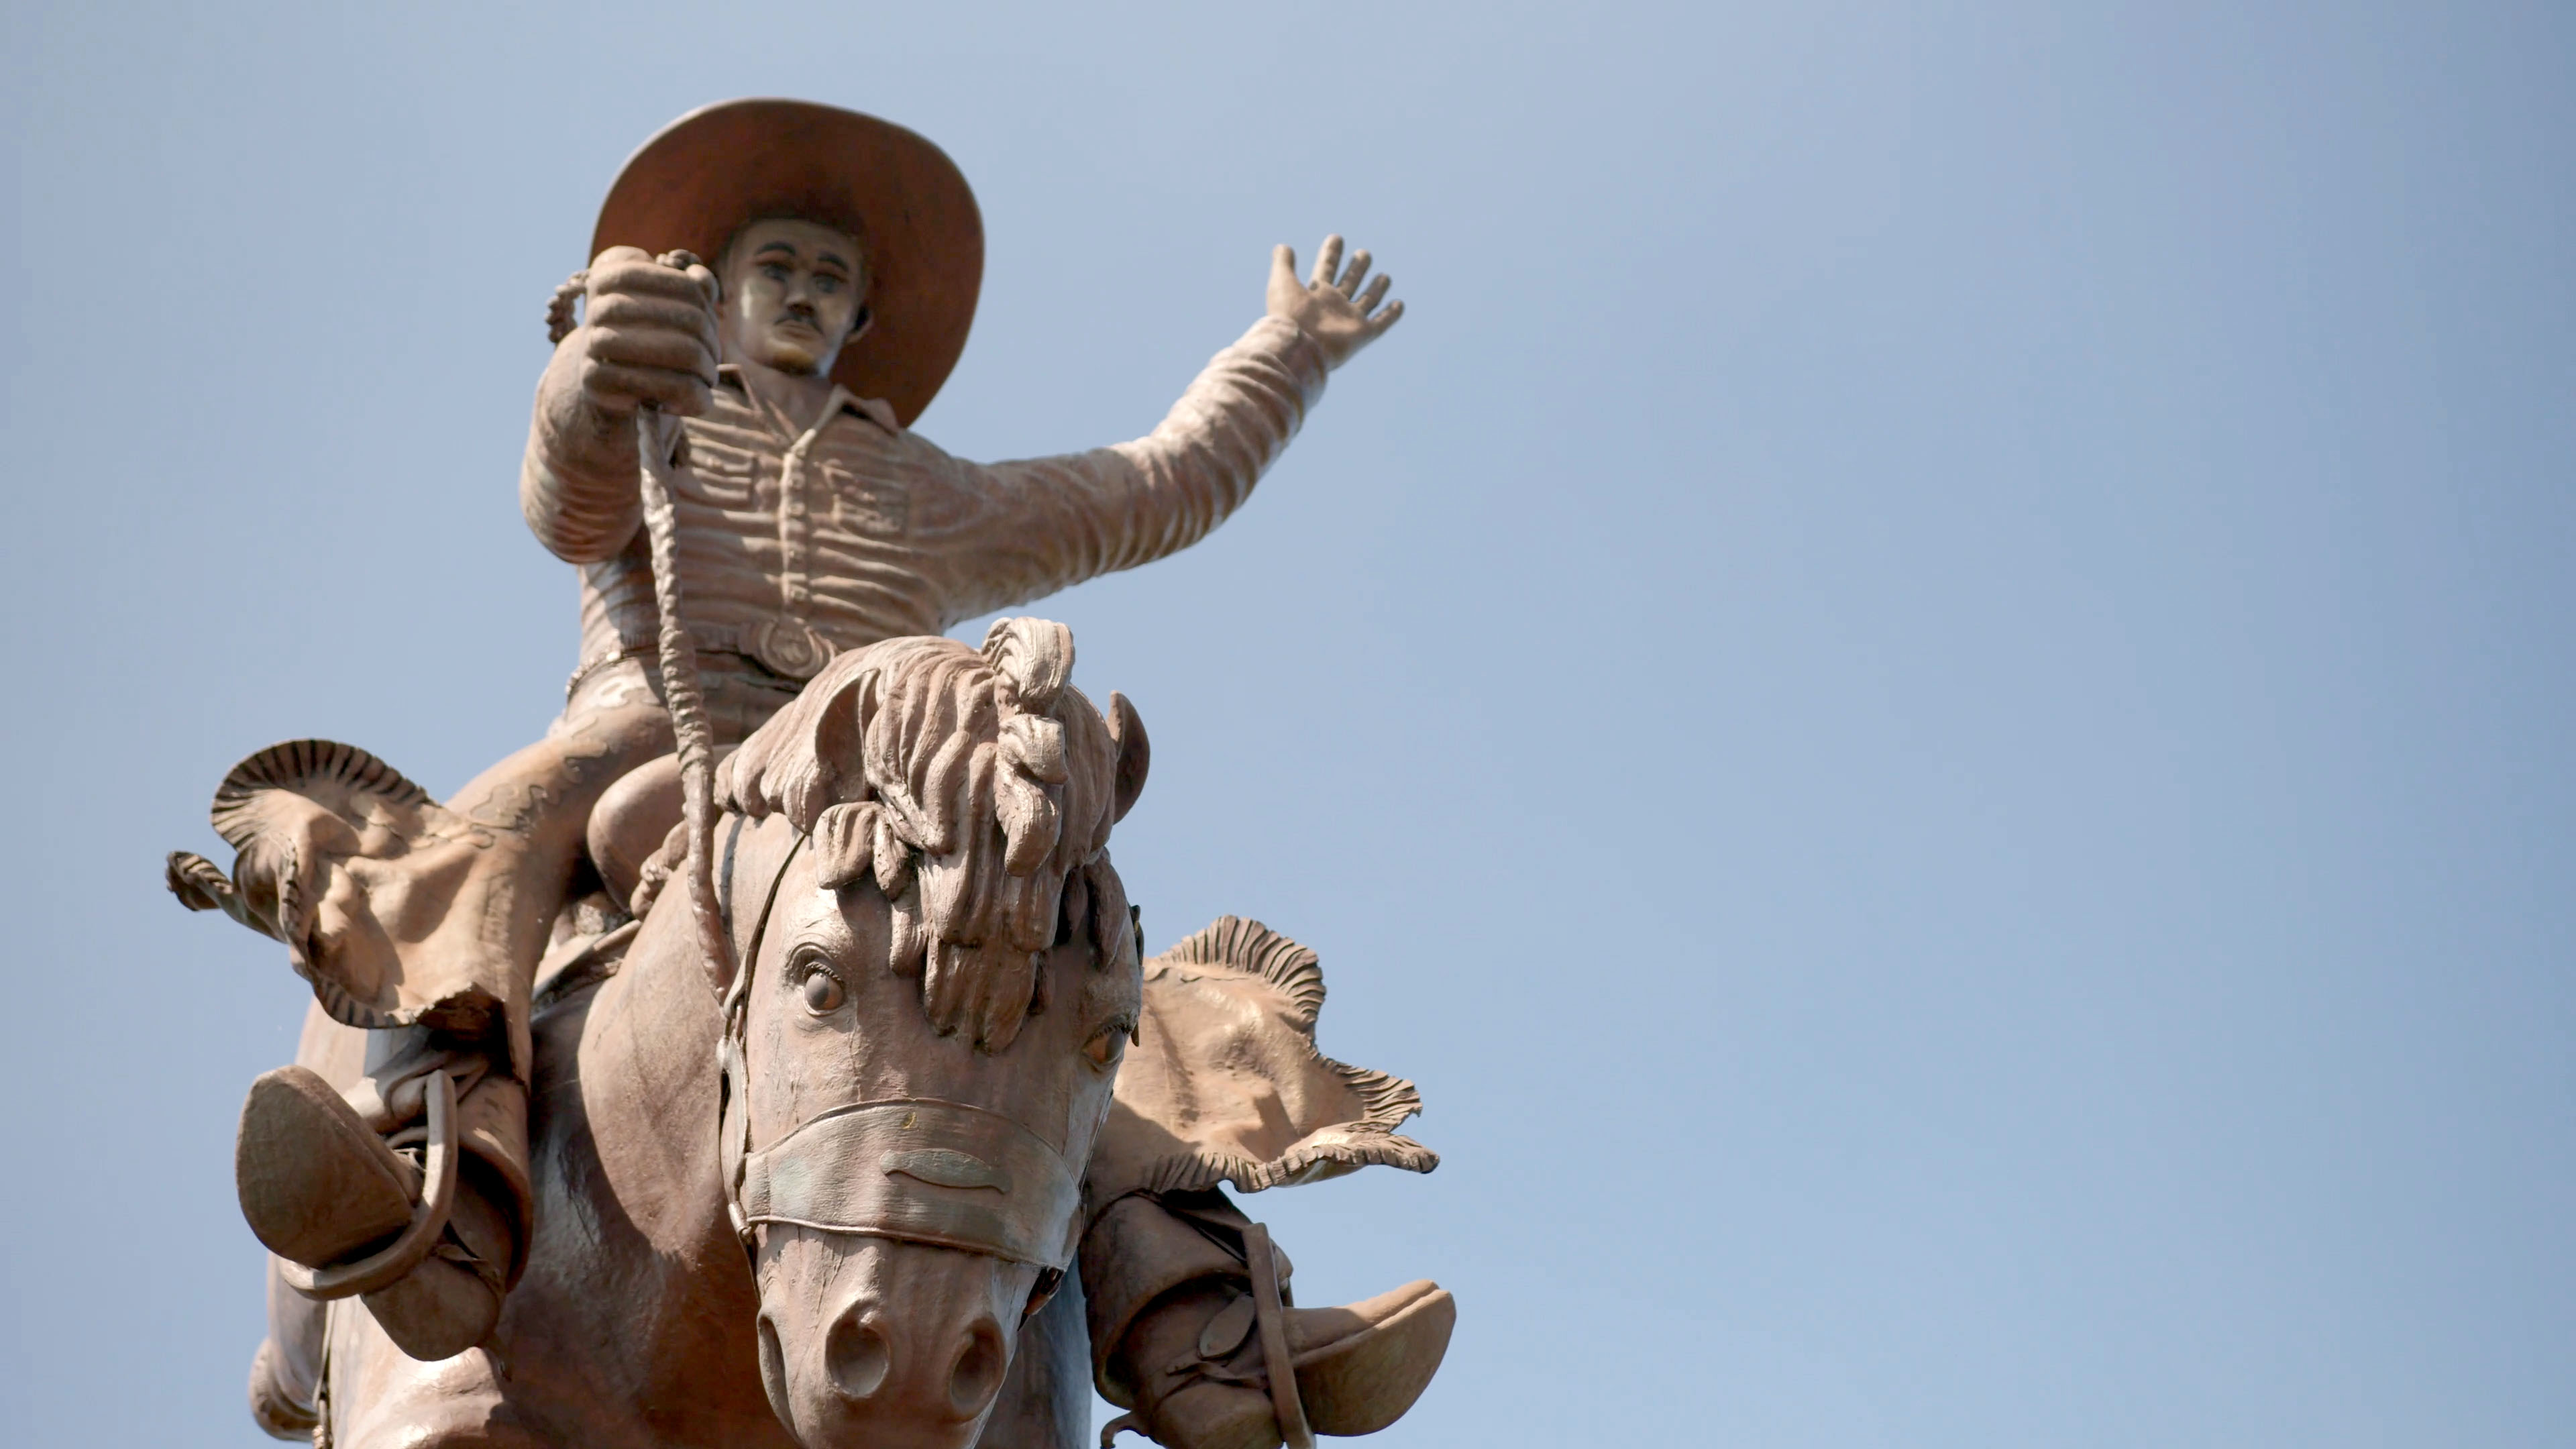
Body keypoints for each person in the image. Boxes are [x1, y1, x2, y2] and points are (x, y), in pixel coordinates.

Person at [212, 99, 1443, 1448]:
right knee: (472, 863)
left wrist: (1290, 350)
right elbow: (567, 503)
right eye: (779, 265)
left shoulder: (927, 486)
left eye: (830, 276)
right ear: (725, 291)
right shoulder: (657, 409)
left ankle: (1197, 1318)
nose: (802, 290)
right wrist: (588, 382)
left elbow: (1158, 483)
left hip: (867, 777)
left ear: (862, 320)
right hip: (650, 736)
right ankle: (433, 1188)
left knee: (1055, 956)